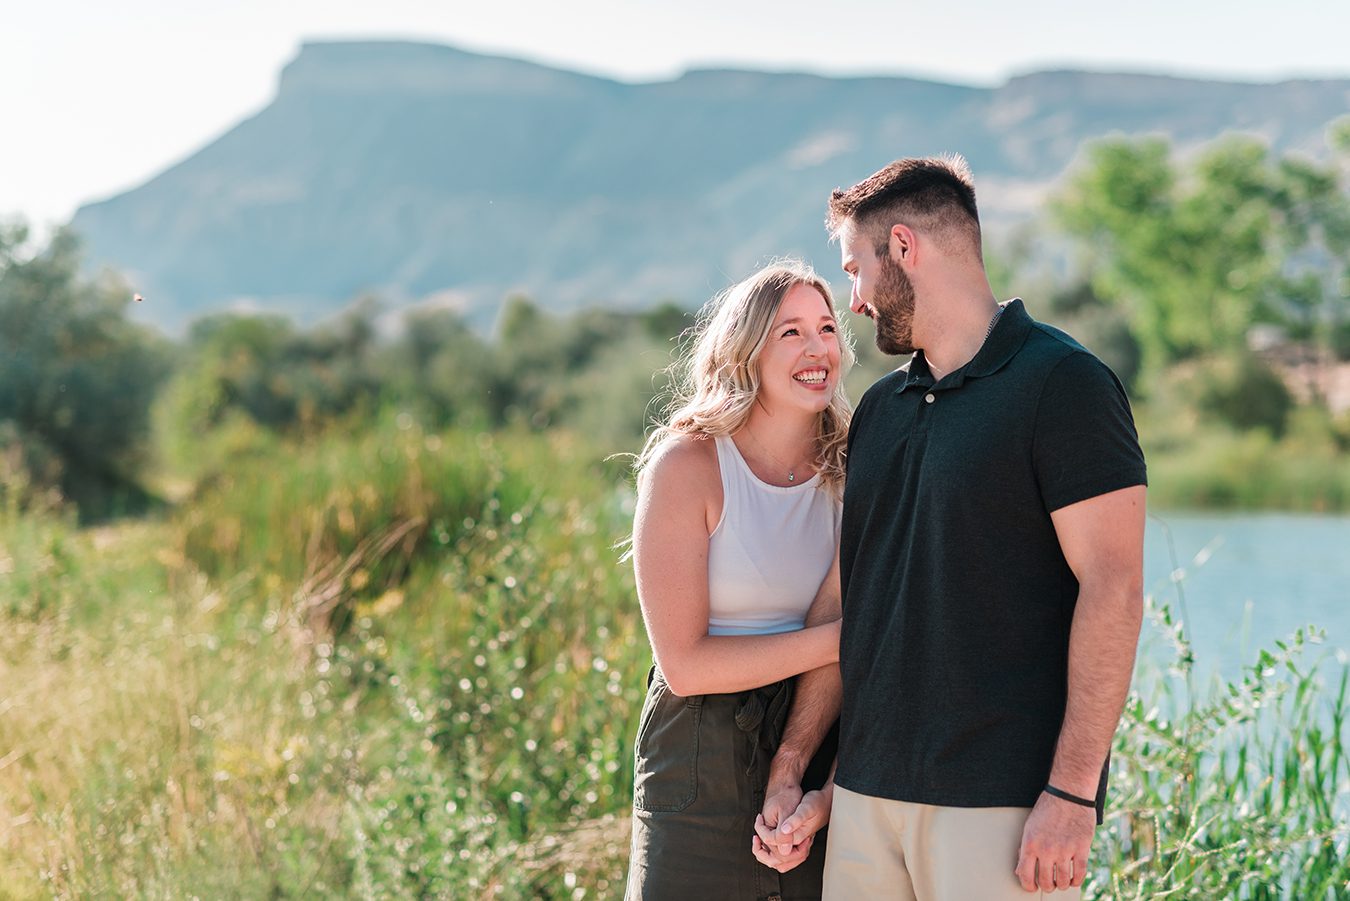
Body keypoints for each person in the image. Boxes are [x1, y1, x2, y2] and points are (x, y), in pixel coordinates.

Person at [753, 156, 1147, 899]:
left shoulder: (1063, 385)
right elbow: (849, 604)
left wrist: (1071, 794)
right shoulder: (881, 410)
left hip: (1003, 806)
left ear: (904, 248)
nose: (856, 300)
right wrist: (795, 769)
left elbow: (1116, 587)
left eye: (855, 270)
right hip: (867, 807)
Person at [624, 261, 854, 900]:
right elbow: (685, 665)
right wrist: (847, 640)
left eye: (828, 328)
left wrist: (808, 767)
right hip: (698, 745)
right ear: (745, 350)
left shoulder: (856, 466)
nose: (818, 349)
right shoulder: (687, 465)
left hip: (819, 725)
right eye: (790, 332)